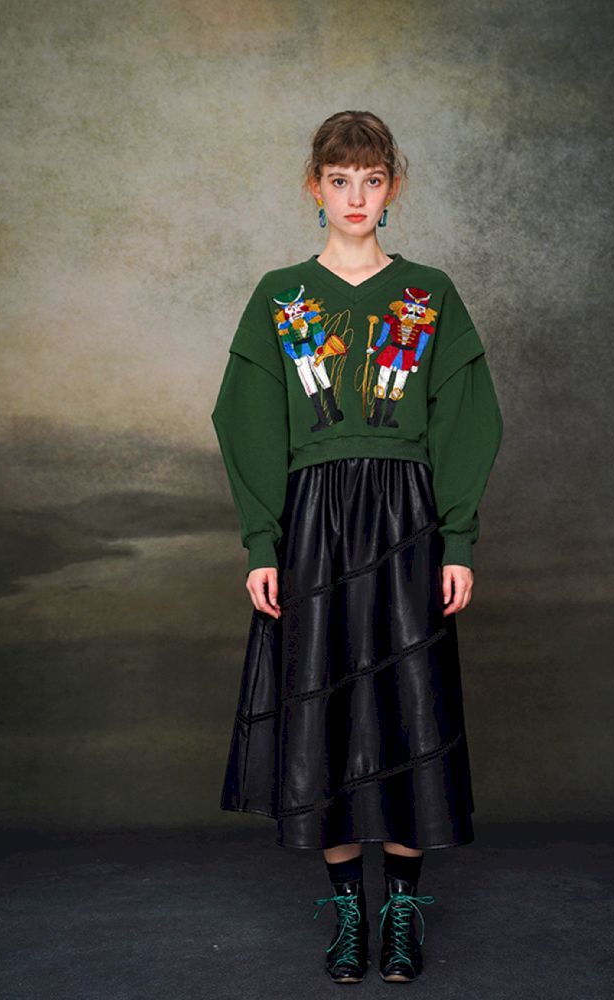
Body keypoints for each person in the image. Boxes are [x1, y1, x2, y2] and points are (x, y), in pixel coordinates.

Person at [211, 110, 503, 984]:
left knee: (412, 707)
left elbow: (467, 418)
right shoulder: (282, 297)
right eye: (340, 180)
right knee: (324, 712)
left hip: (407, 520)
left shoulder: (428, 295)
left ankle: (401, 912)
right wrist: (262, 544)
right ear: (316, 186)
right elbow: (248, 421)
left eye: (372, 180)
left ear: (392, 188)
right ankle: (348, 914)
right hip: (313, 524)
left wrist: (458, 539)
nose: (356, 196)